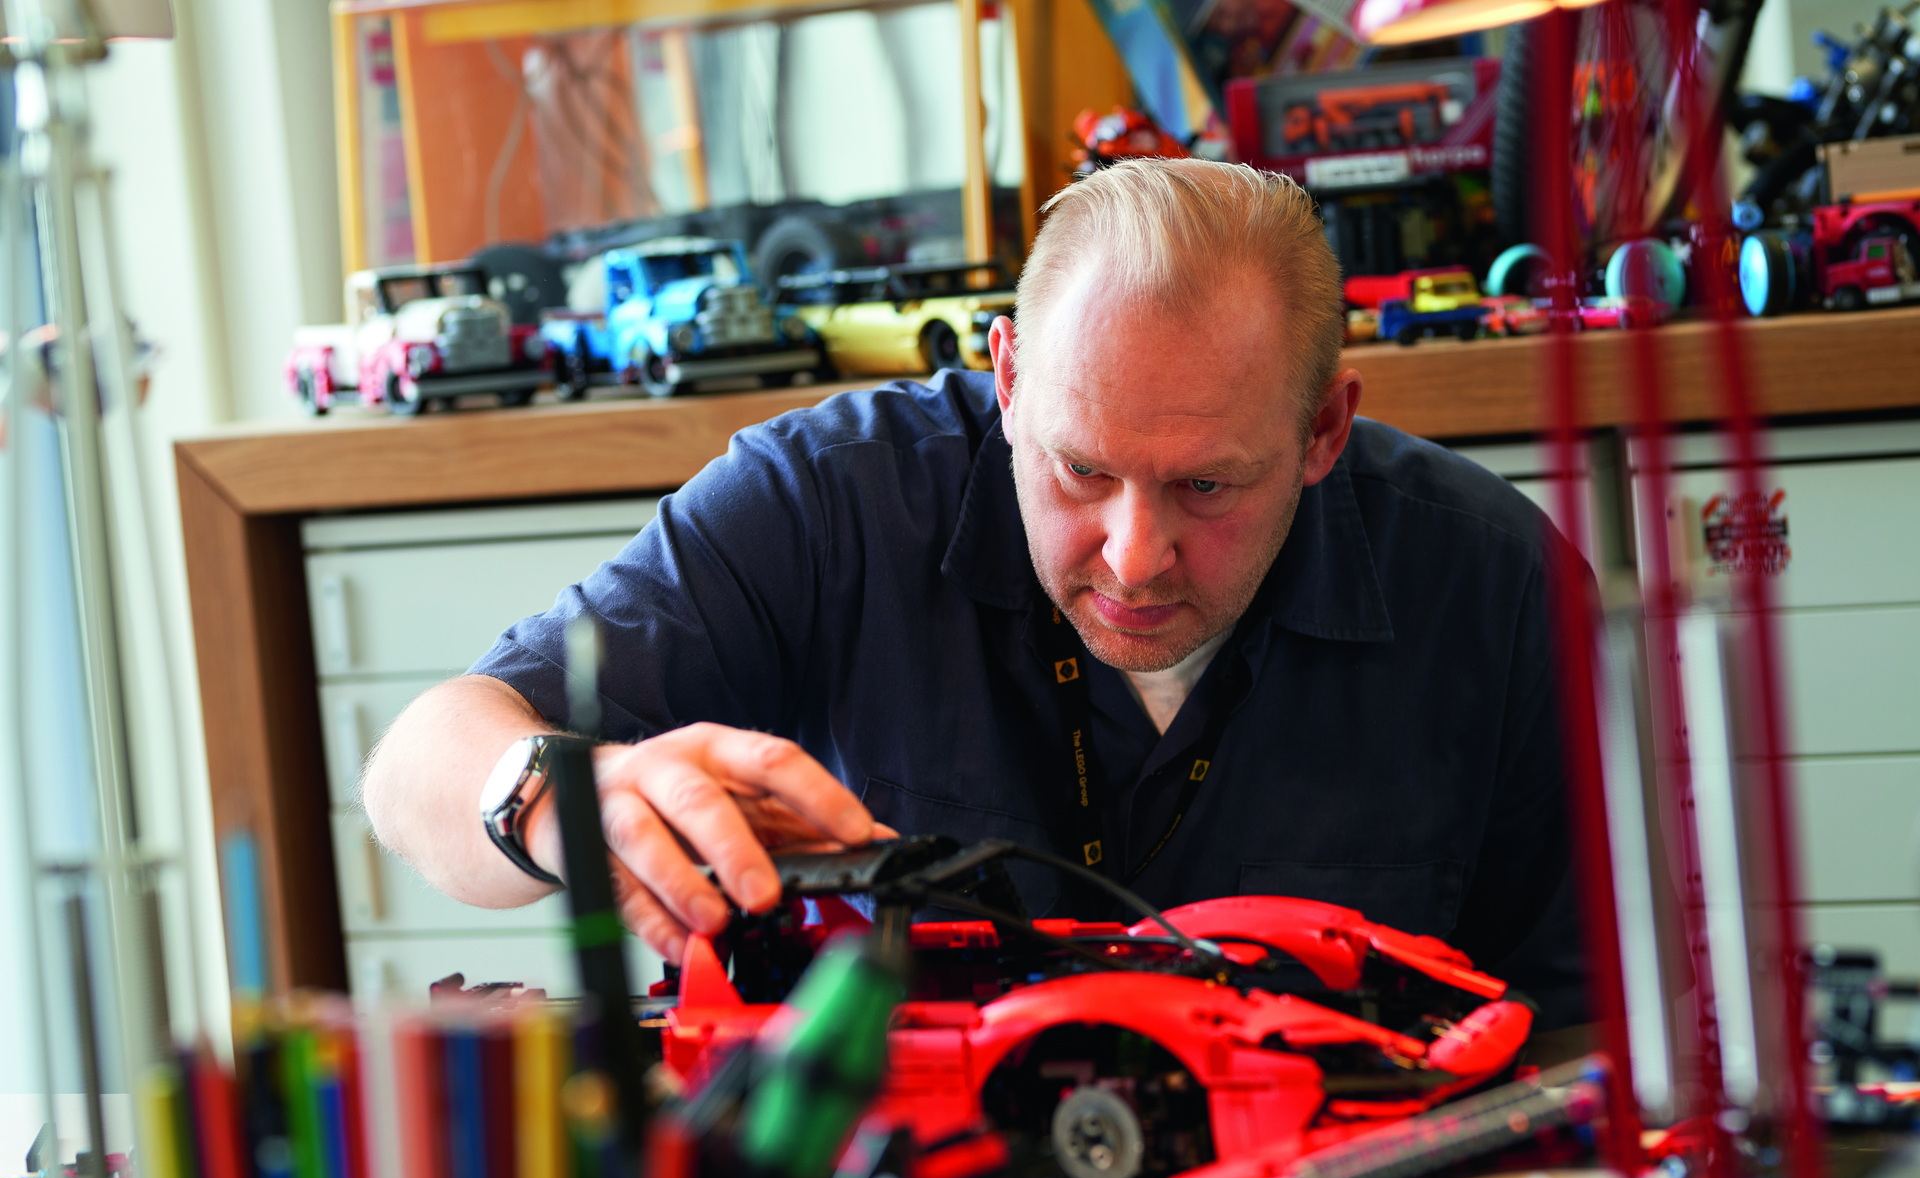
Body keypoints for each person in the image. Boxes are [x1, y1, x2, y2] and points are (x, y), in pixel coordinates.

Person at [363, 159, 1585, 1028]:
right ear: (1006, 377)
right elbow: (416, 768)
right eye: (1080, 468)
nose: (1131, 554)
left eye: (1209, 483)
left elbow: (1596, 1036)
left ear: (1324, 430)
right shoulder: (831, 500)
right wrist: (567, 797)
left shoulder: (1499, 587)